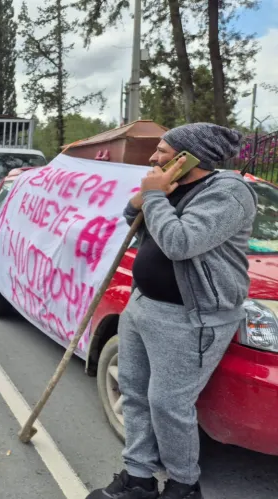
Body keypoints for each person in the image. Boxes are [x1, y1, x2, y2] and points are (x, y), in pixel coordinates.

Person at [88, 123, 257, 499]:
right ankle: (138, 479)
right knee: (133, 392)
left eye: (162, 151)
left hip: (189, 318)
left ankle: (183, 485)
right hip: (143, 306)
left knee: (168, 404)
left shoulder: (228, 193)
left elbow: (180, 242)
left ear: (188, 158)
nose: (153, 157)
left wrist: (153, 196)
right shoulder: (171, 186)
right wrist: (143, 198)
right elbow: (132, 217)